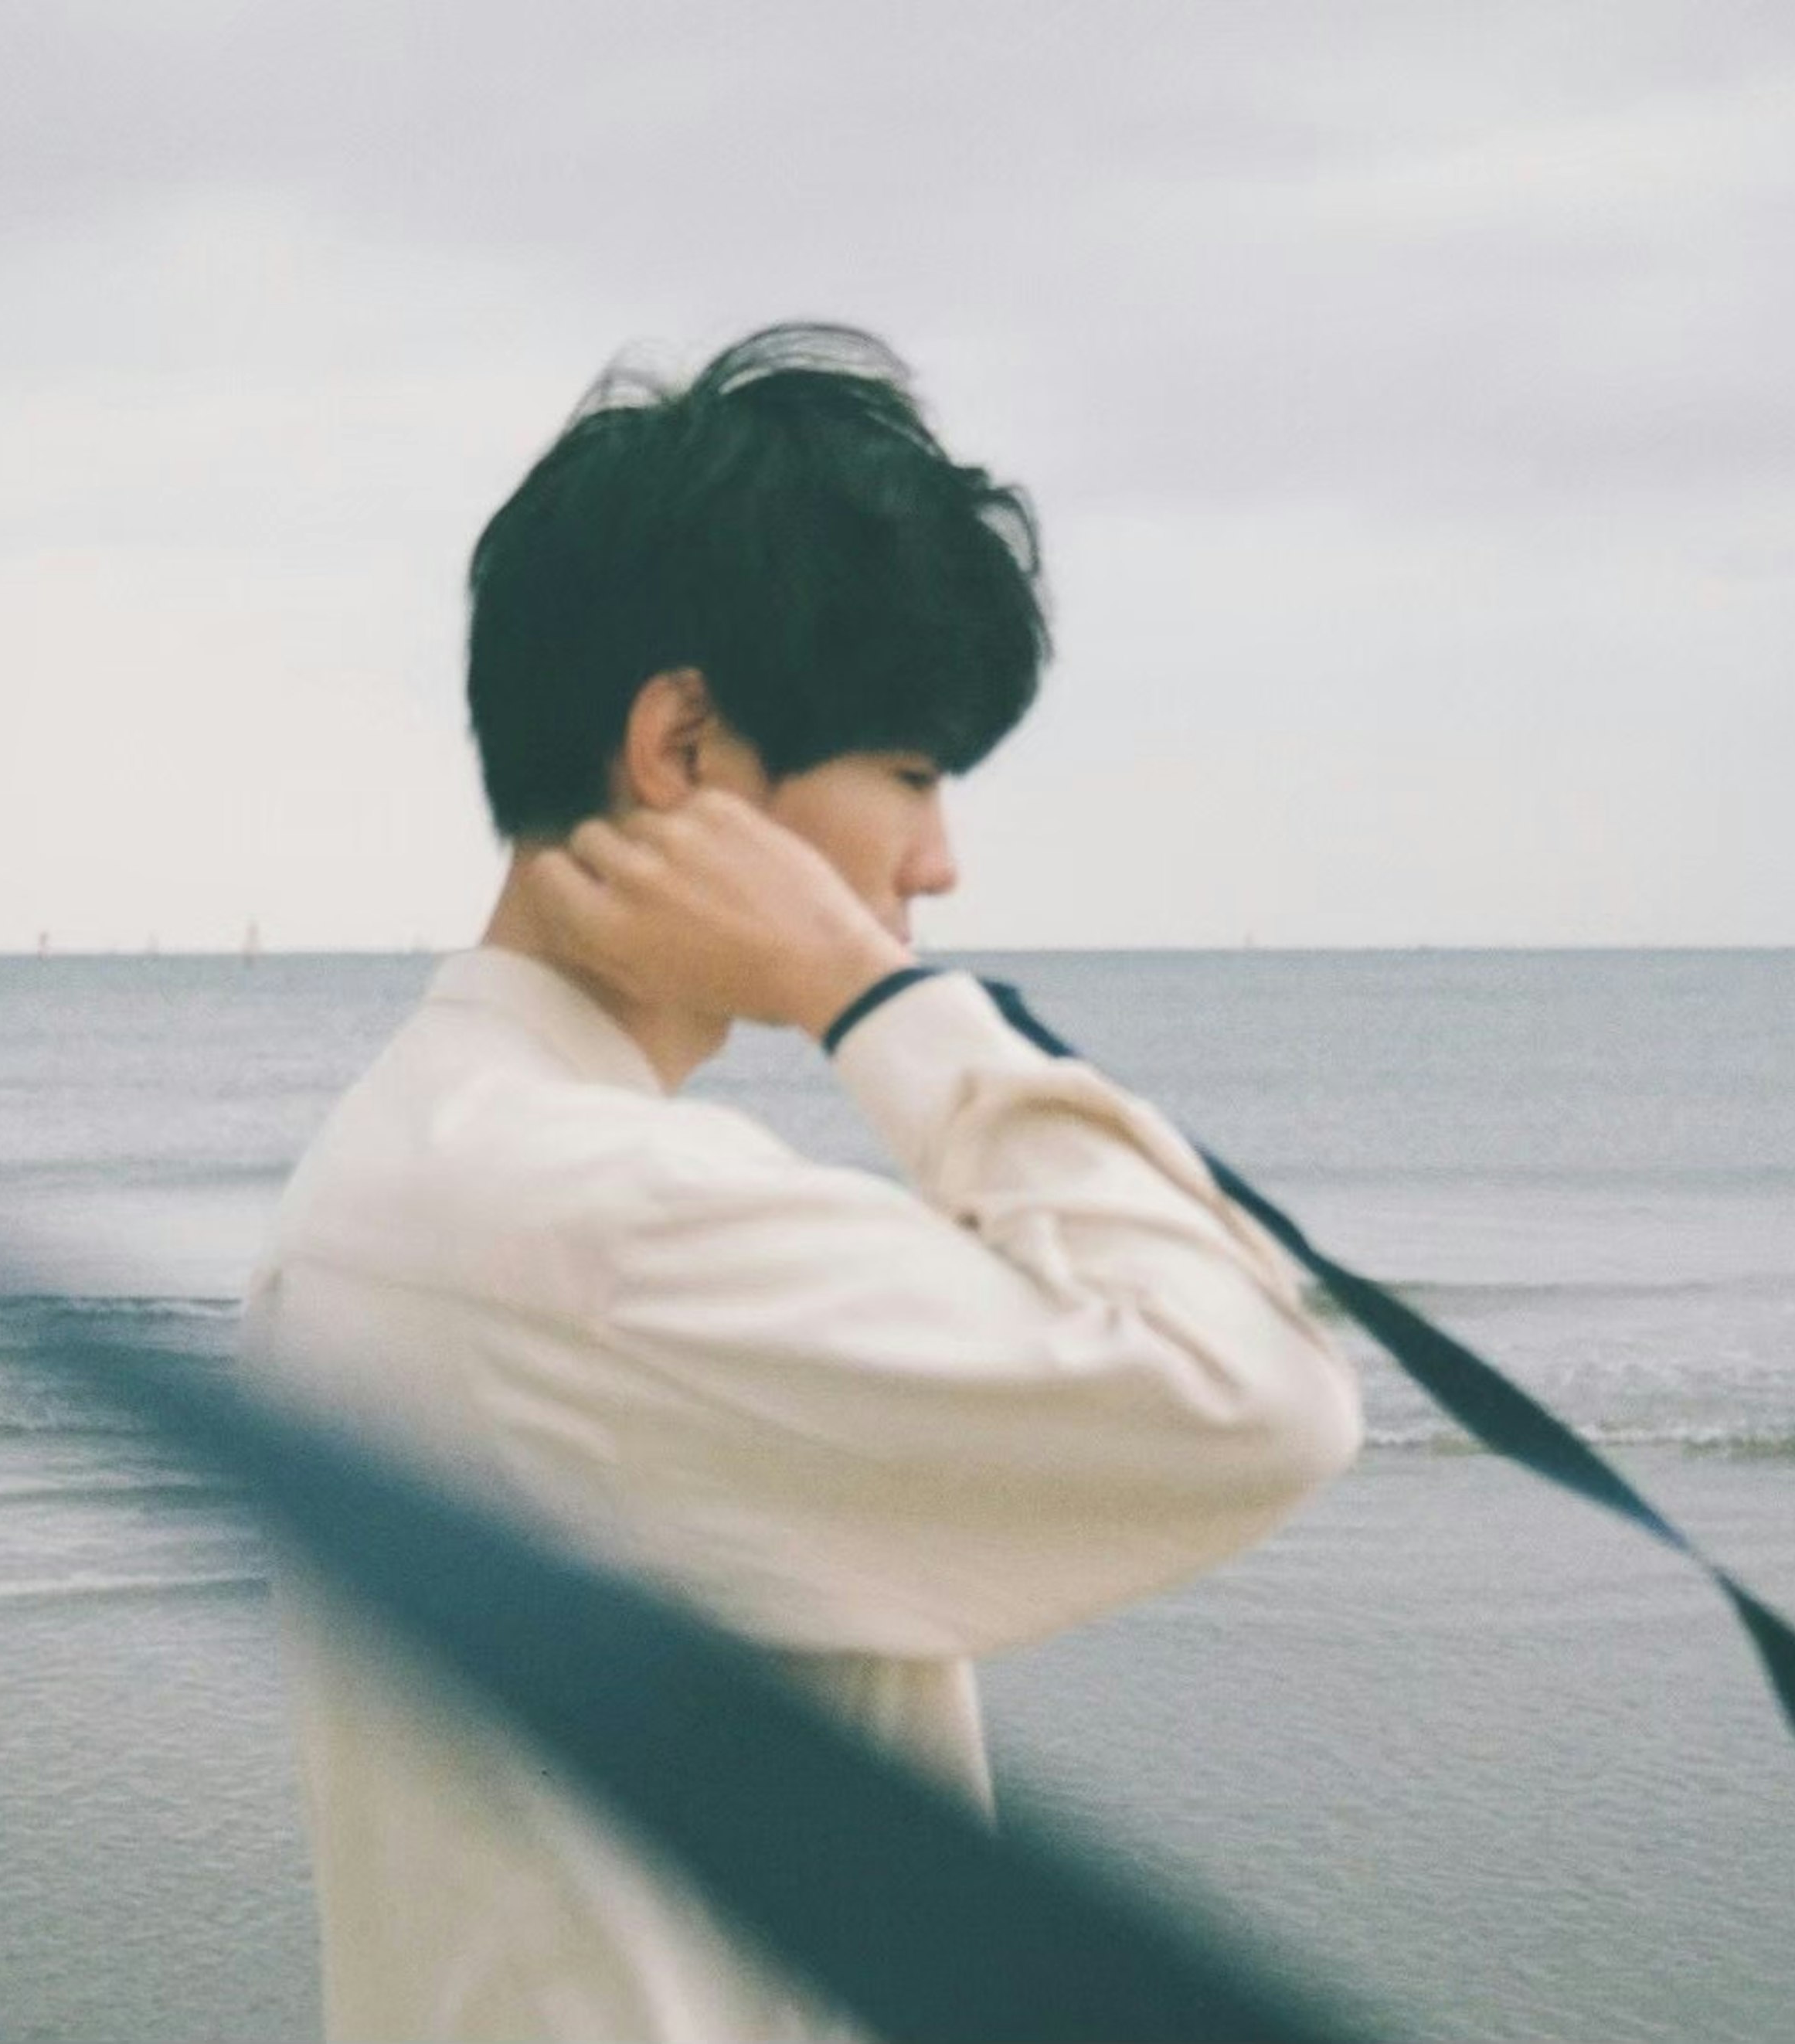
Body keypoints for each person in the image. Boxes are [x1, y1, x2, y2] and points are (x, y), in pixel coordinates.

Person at [242, 323, 1362, 2043]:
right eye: (911, 772)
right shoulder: (587, 1220)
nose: (940, 858)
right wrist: (878, 996)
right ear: (684, 746)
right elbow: (1256, 1393)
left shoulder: (398, 1167)